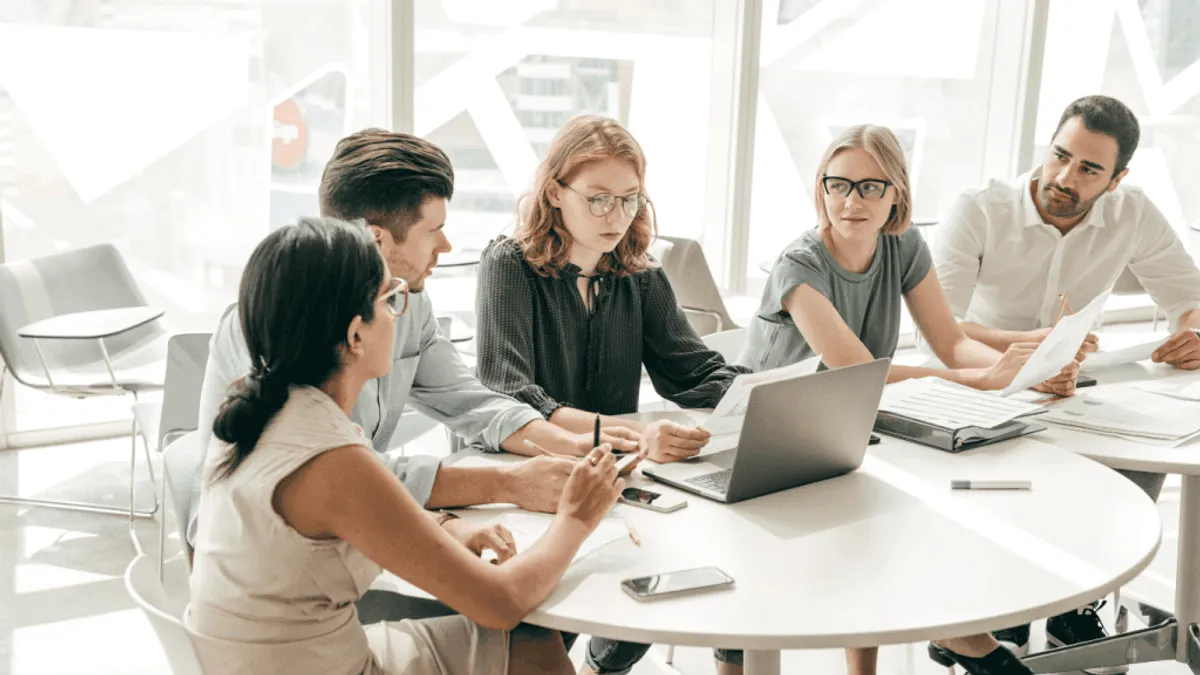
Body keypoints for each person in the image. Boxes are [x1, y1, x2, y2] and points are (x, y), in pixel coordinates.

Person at [186, 216, 624, 674]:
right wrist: (577, 518)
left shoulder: (259, 410)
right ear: (356, 336)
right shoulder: (332, 460)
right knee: (529, 637)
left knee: (527, 641)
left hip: (269, 661)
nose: (401, 314)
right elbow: (502, 602)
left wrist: (446, 527)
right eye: (392, 300)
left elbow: (358, 516)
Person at [189, 129, 643, 547]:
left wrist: (572, 443)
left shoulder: (407, 303)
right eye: (434, 230)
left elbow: (469, 401)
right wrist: (506, 485)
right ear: (377, 240)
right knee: (508, 607)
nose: (445, 246)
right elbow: (342, 472)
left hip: (354, 524)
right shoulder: (282, 322)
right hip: (280, 549)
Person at [740, 124, 1060, 675]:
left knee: (952, 494)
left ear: (897, 195)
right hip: (772, 438)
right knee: (892, 515)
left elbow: (953, 343)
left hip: (855, 426)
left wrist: (1029, 371)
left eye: (869, 187)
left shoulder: (903, 243)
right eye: (837, 184)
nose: (850, 200)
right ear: (820, 188)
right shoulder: (799, 266)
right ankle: (965, 639)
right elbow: (860, 372)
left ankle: (957, 636)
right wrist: (986, 381)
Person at [932, 94, 1200, 670]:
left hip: (1074, 386)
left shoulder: (1133, 211)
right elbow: (941, 324)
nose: (1064, 178)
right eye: (1060, 156)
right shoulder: (978, 209)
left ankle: (1079, 597)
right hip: (983, 380)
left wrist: (1195, 330)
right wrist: (1029, 357)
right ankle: (986, 605)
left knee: (1141, 454)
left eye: (1088, 170)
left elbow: (1190, 295)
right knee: (1019, 479)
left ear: (1118, 177)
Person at [474, 114, 748, 675]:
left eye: (630, 200)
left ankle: (609, 660)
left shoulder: (639, 275)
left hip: (615, 475)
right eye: (599, 199)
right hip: (522, 482)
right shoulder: (508, 265)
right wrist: (633, 433)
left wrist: (760, 398)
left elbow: (693, 371)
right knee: (547, 628)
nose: (617, 217)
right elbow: (510, 392)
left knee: (718, 555)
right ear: (555, 191)